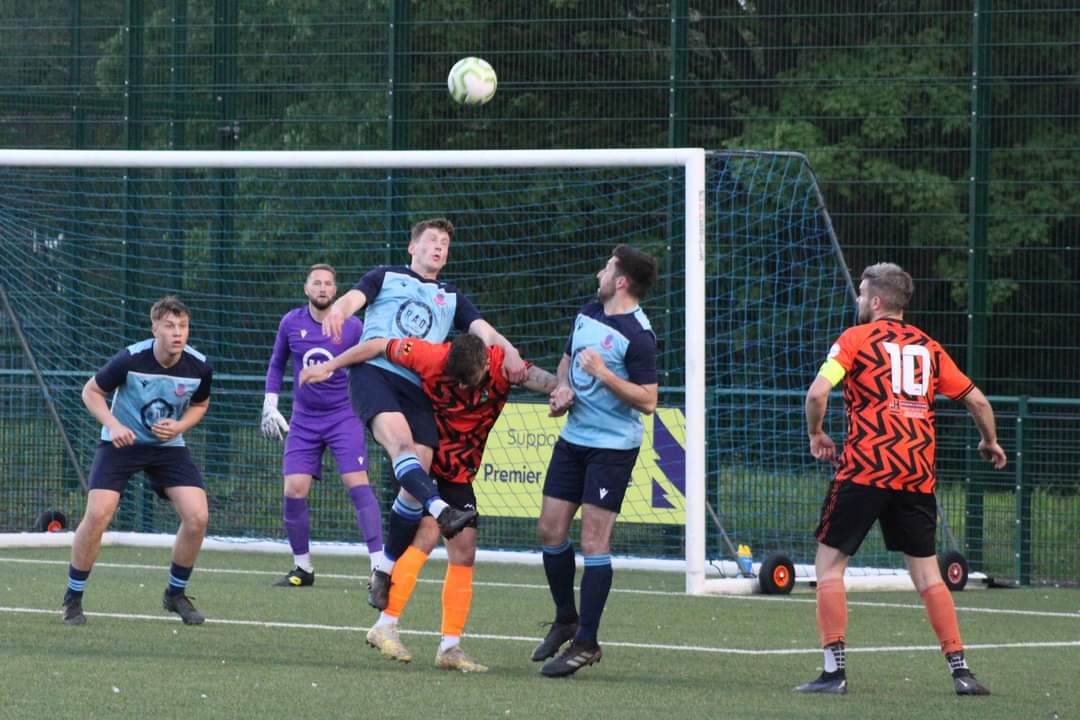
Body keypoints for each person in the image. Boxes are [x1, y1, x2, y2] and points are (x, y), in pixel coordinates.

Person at [797, 262, 1006, 696]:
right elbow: (979, 402)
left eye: (860, 292)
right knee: (928, 575)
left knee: (829, 566)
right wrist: (990, 442)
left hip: (866, 467)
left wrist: (817, 433)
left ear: (875, 301)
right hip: (915, 474)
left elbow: (818, 392)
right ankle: (961, 671)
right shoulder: (929, 348)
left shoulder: (854, 340)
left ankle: (834, 673)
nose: (857, 299)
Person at [301, 333, 556, 671]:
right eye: (457, 381)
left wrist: (565, 389)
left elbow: (543, 380)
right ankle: (385, 624)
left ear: (485, 363)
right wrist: (331, 365)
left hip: (460, 468)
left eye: (471, 381)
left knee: (465, 549)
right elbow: (378, 345)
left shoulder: (504, 365)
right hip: (425, 456)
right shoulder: (430, 355)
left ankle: (449, 647)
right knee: (425, 534)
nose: (463, 388)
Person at [321, 217, 527, 609]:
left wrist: (511, 352)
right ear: (412, 247)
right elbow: (354, 298)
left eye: (445, 244)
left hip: (416, 386)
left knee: (422, 465)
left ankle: (383, 568)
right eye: (432, 240)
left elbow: (485, 332)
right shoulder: (385, 276)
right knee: (403, 446)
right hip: (375, 372)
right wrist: (340, 309)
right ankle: (442, 511)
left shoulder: (451, 297)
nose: (439, 248)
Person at [532, 245, 659, 678]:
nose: (599, 273)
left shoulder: (639, 335)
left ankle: (587, 642)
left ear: (621, 281)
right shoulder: (588, 311)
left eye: (607, 268)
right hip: (574, 438)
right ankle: (566, 618)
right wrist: (563, 389)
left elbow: (648, 401)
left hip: (612, 448)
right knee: (549, 529)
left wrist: (605, 374)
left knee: (593, 541)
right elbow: (567, 361)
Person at [62, 296, 214, 626]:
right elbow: (91, 392)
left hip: (167, 447)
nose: (178, 333)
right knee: (99, 513)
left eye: (183, 326)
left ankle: (175, 594)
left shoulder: (199, 366)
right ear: (154, 328)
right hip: (121, 444)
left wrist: (179, 425)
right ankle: (73, 599)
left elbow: (200, 405)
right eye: (170, 326)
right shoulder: (130, 358)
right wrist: (114, 426)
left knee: (197, 516)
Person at [260, 264, 383, 587]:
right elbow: (276, 364)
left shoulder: (354, 326)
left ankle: (380, 568)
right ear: (306, 289)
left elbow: (370, 364)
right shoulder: (291, 322)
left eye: (329, 283)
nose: (323, 288)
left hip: (344, 416)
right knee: (294, 489)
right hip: (304, 419)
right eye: (317, 283)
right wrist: (269, 405)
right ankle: (303, 568)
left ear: (336, 290)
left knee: (357, 484)